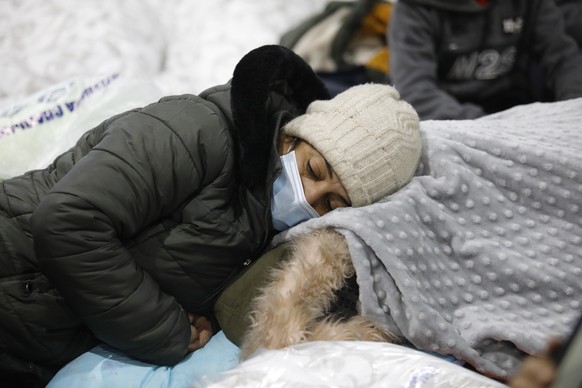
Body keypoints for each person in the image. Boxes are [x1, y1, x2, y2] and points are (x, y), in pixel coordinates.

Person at [0, 43, 423, 386]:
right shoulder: (200, 132)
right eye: (314, 170)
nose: (310, 196)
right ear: (297, 134)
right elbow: (69, 221)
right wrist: (169, 334)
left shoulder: (272, 227)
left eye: (332, 203)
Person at [388, 0, 582, 120]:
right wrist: (492, 127)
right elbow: (415, 92)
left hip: (516, 111)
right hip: (448, 122)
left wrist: (573, 110)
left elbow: (564, 58)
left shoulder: (530, 4)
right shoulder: (413, 10)